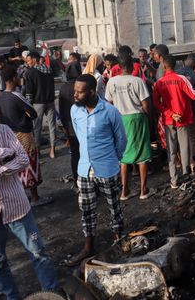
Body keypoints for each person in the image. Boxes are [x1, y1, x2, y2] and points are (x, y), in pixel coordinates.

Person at [0, 90, 59, 299]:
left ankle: (52, 294)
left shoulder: (4, 130)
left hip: (17, 206)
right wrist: (3, 154)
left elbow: (21, 159)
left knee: (39, 253)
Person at [66, 74, 127, 266]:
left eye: (79, 91)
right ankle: (88, 246)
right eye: (74, 90)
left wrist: (111, 159)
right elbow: (78, 135)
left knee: (114, 208)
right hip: (84, 170)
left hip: (107, 168)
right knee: (87, 210)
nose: (75, 94)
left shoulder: (110, 111)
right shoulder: (75, 111)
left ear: (91, 92)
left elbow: (121, 140)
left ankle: (118, 242)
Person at [153, 54, 195, 188]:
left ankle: (174, 180)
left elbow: (156, 103)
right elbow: (194, 95)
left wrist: (170, 113)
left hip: (169, 119)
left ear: (164, 66)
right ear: (175, 66)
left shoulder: (159, 83)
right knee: (184, 147)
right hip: (183, 118)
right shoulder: (181, 79)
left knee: (171, 150)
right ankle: (185, 175)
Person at [0, 66, 52, 207]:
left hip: (9, 135)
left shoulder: (1, 96)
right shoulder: (16, 96)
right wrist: (25, 116)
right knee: (29, 163)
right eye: (17, 76)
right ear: (13, 78)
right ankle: (35, 197)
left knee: (16, 165)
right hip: (24, 134)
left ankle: (22, 196)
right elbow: (33, 113)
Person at [104, 55, 154, 200]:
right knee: (142, 155)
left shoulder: (111, 82)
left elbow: (109, 104)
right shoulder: (137, 81)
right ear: (132, 67)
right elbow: (145, 105)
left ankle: (124, 191)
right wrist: (149, 118)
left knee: (124, 157)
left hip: (120, 119)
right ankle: (143, 190)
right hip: (137, 118)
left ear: (118, 67)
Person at [24, 52, 56, 159]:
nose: (27, 63)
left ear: (34, 60)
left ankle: (38, 151)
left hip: (38, 103)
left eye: (28, 60)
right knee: (52, 126)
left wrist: (28, 107)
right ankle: (52, 150)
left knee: (37, 127)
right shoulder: (49, 70)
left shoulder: (30, 72)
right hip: (50, 101)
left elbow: (29, 92)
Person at [177, 53, 195, 170]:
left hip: (178, 112)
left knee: (181, 138)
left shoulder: (177, 74)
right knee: (193, 137)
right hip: (193, 111)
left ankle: (182, 162)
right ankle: (192, 162)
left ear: (186, 60)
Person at [59, 65, 81, 187]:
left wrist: (64, 126)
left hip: (70, 126)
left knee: (75, 154)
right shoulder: (80, 86)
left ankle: (77, 180)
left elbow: (61, 110)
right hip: (82, 125)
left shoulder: (63, 88)